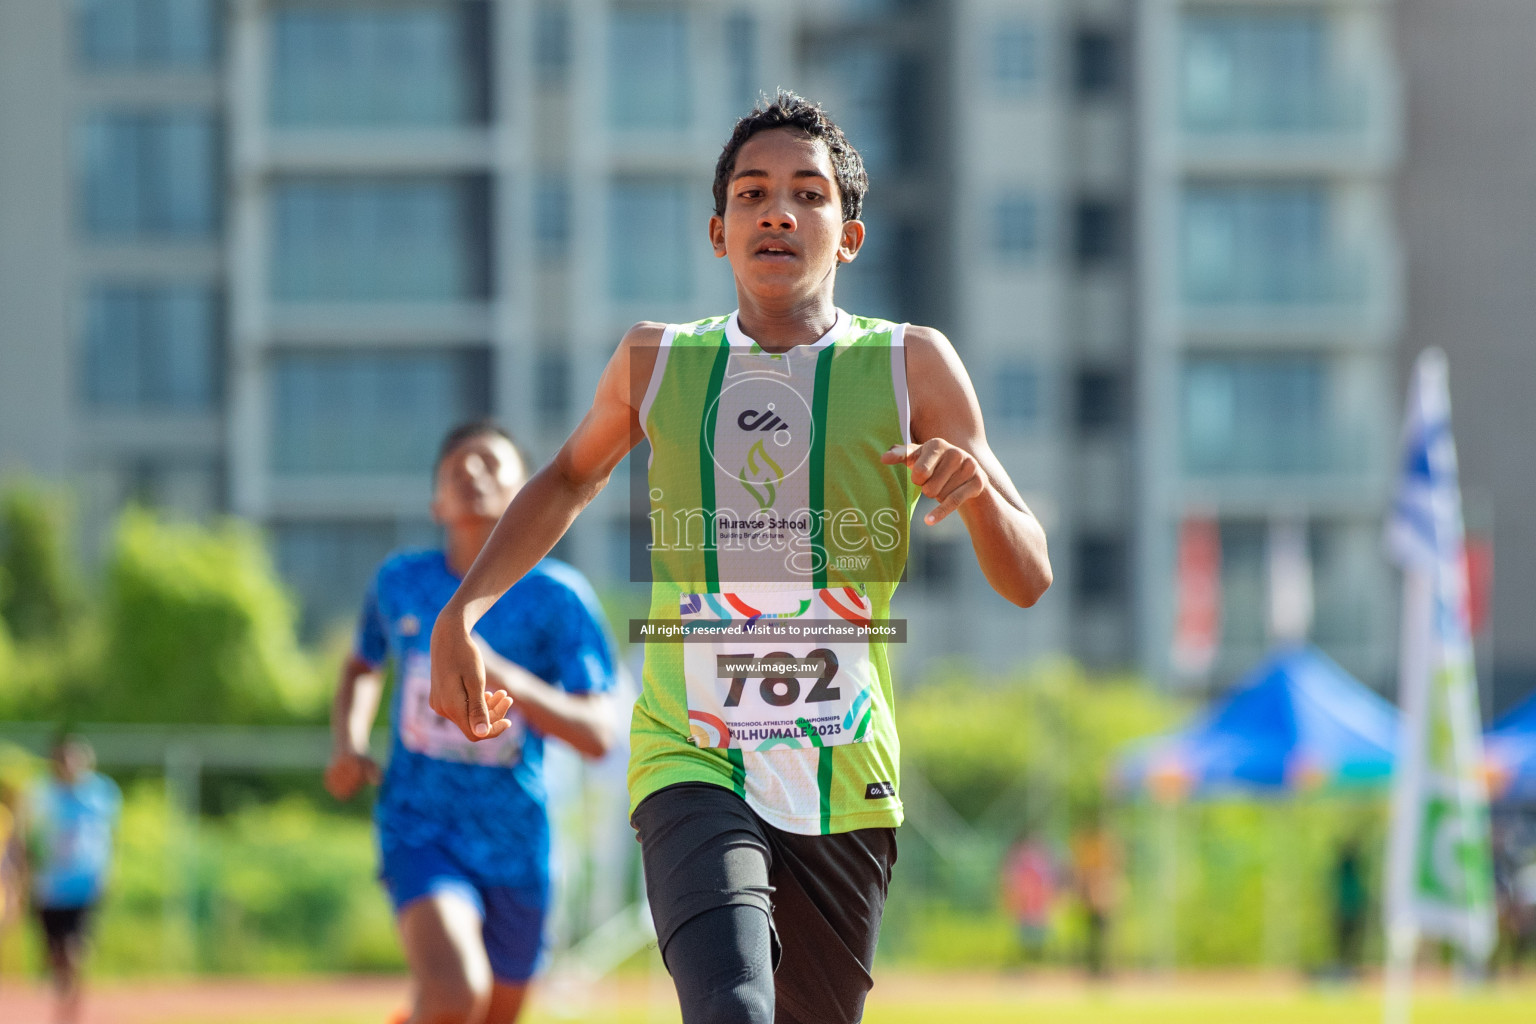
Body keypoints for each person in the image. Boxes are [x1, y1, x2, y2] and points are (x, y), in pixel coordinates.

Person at [428, 93, 1052, 1024]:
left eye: (809, 194)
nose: (779, 212)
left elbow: (1029, 576)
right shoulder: (657, 362)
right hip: (691, 756)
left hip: (846, 775)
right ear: (719, 232)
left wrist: (974, 498)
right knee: (733, 1011)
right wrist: (461, 612)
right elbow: (564, 478)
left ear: (849, 236)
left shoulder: (912, 365)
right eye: (755, 194)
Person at [325, 421, 618, 1024]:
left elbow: (598, 734)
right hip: (420, 825)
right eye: (455, 467)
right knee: (458, 992)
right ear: (436, 502)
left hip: (517, 838)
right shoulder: (401, 581)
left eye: (489, 462)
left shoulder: (559, 598)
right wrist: (349, 743)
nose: (471, 473)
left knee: (485, 1014)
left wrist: (508, 676)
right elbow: (362, 666)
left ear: (532, 496)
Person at [22, 735, 121, 1024]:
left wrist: (109, 872)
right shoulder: (40, 795)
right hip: (50, 886)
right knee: (54, 954)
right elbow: (27, 839)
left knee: (75, 949)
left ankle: (70, 1015)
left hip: (85, 883)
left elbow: (110, 837)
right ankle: (61, 983)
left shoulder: (102, 793)